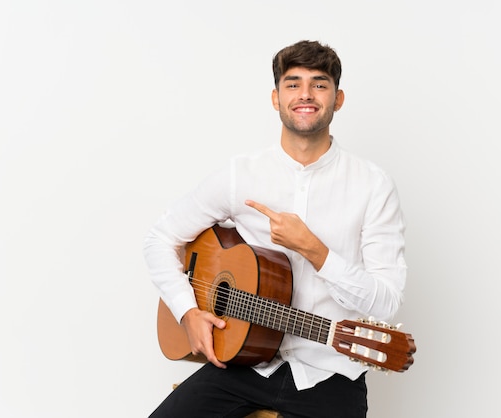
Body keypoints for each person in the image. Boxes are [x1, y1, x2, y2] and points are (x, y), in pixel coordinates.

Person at [143, 40, 407, 418]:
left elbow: (385, 301)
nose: (305, 94)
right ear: (275, 97)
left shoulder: (373, 186)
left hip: (331, 372)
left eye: (319, 84)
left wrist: (317, 251)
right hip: (243, 364)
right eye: (293, 83)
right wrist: (187, 312)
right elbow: (160, 238)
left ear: (338, 98)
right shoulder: (241, 175)